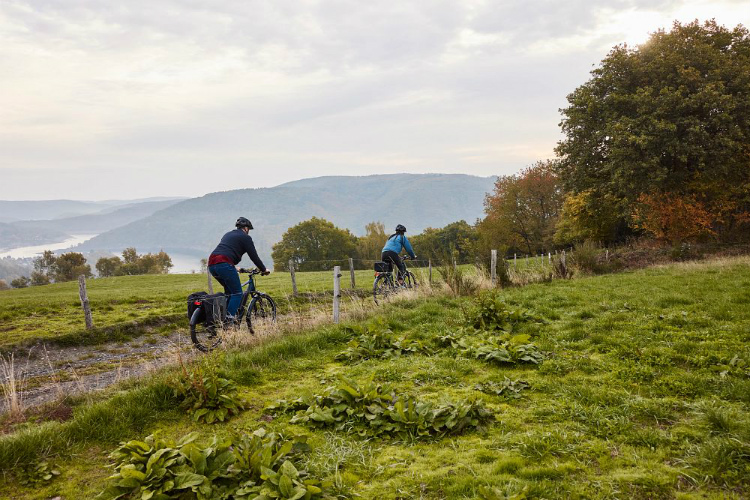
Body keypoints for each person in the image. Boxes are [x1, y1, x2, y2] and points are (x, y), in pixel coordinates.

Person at [208, 217, 270, 321]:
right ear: (246, 228)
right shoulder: (246, 238)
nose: (248, 232)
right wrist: (263, 269)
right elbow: (254, 256)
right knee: (237, 293)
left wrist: (233, 266)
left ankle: (220, 320)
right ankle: (229, 321)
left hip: (212, 264)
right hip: (224, 263)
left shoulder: (227, 234)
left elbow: (225, 250)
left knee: (229, 292)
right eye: (249, 229)